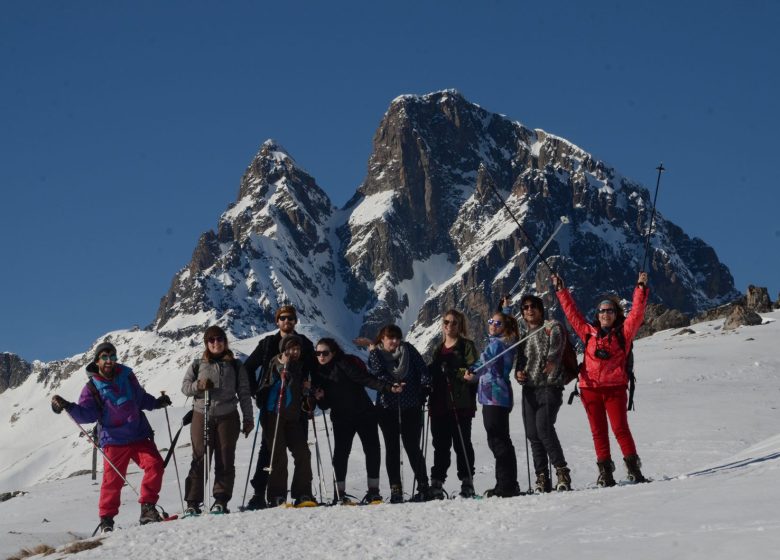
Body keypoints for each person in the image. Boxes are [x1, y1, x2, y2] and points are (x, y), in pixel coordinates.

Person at [50, 342, 171, 533]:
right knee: (112, 481)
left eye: (112, 357)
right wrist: (69, 406)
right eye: (105, 357)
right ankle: (107, 519)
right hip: (113, 440)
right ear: (97, 361)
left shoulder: (127, 376)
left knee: (155, 465)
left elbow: (139, 397)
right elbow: (88, 415)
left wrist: (156, 403)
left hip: (138, 434)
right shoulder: (92, 387)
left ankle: (147, 508)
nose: (109, 361)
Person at [551, 271, 650, 486]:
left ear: (616, 314)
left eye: (610, 310)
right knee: (598, 432)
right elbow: (572, 314)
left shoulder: (624, 333)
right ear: (597, 314)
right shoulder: (588, 332)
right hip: (590, 389)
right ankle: (605, 473)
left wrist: (640, 288)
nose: (605, 314)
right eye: (602, 311)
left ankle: (634, 470)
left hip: (615, 388)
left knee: (620, 429)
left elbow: (637, 314)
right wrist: (561, 291)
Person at [243, 305, 316, 510]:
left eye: (291, 318)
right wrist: (257, 391)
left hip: (297, 406)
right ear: (277, 321)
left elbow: (313, 369)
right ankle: (262, 493)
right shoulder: (268, 344)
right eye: (283, 318)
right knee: (269, 450)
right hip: (271, 406)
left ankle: (302, 493)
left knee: (300, 449)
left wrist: (311, 391)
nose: (287, 321)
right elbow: (248, 367)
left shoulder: (306, 344)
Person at [313, 338, 400, 504]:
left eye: (325, 353)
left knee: (372, 450)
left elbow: (365, 379)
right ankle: (339, 494)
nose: (321, 356)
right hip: (341, 419)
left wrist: (388, 387)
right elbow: (324, 405)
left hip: (364, 414)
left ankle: (374, 492)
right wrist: (320, 398)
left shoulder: (344, 364)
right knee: (340, 455)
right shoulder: (319, 373)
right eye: (318, 353)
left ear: (334, 352)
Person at [181, 326, 254, 514]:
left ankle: (221, 499)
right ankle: (192, 502)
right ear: (206, 343)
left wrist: (248, 418)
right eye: (211, 340)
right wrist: (199, 385)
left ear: (225, 341)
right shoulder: (198, 364)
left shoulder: (236, 365)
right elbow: (185, 387)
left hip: (228, 415)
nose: (216, 343)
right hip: (201, 413)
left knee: (225, 458)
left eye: (219, 339)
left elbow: (244, 393)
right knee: (200, 457)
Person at [366, 325, 432, 503]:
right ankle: (396, 488)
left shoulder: (408, 349)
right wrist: (373, 351)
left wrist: (425, 387)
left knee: (412, 447)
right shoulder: (376, 355)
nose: (394, 341)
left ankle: (424, 485)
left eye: (397, 337)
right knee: (392, 448)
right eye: (390, 338)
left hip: (411, 406)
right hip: (386, 409)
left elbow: (422, 369)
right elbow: (378, 372)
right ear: (382, 339)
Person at [514, 294, 571, 493]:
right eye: (525, 308)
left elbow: (558, 340)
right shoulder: (522, 337)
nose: (529, 310)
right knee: (532, 433)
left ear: (540, 309)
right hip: (529, 389)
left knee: (543, 427)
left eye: (533, 306)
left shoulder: (551, 327)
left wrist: (552, 358)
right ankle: (542, 477)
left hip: (549, 386)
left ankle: (562, 471)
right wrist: (518, 374)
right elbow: (520, 364)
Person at [464, 311, 521, 498]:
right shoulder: (505, 342)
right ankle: (505, 483)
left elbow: (485, 360)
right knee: (500, 439)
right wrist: (505, 308)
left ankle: (507, 485)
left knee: (497, 439)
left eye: (497, 323)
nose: (493, 325)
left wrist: (472, 371)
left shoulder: (497, 344)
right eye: (491, 322)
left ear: (504, 327)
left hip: (494, 396)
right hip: (498, 396)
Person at [255, 334, 315, 507]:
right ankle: (276, 496)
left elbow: (300, 395)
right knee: (278, 455)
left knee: (303, 452)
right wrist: (283, 368)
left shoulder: (300, 367)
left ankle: (303, 493)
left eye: (297, 349)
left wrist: (307, 393)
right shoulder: (275, 364)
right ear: (284, 349)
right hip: (273, 415)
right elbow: (267, 385)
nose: (294, 352)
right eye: (291, 348)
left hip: (292, 416)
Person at [427, 309, 478, 499]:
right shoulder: (437, 349)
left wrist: (456, 370)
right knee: (440, 445)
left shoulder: (467, 346)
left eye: (454, 322)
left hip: (460, 403)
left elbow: (474, 371)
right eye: (446, 322)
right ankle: (437, 483)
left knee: (462, 443)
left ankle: (467, 482)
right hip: (439, 404)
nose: (449, 325)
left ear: (460, 325)